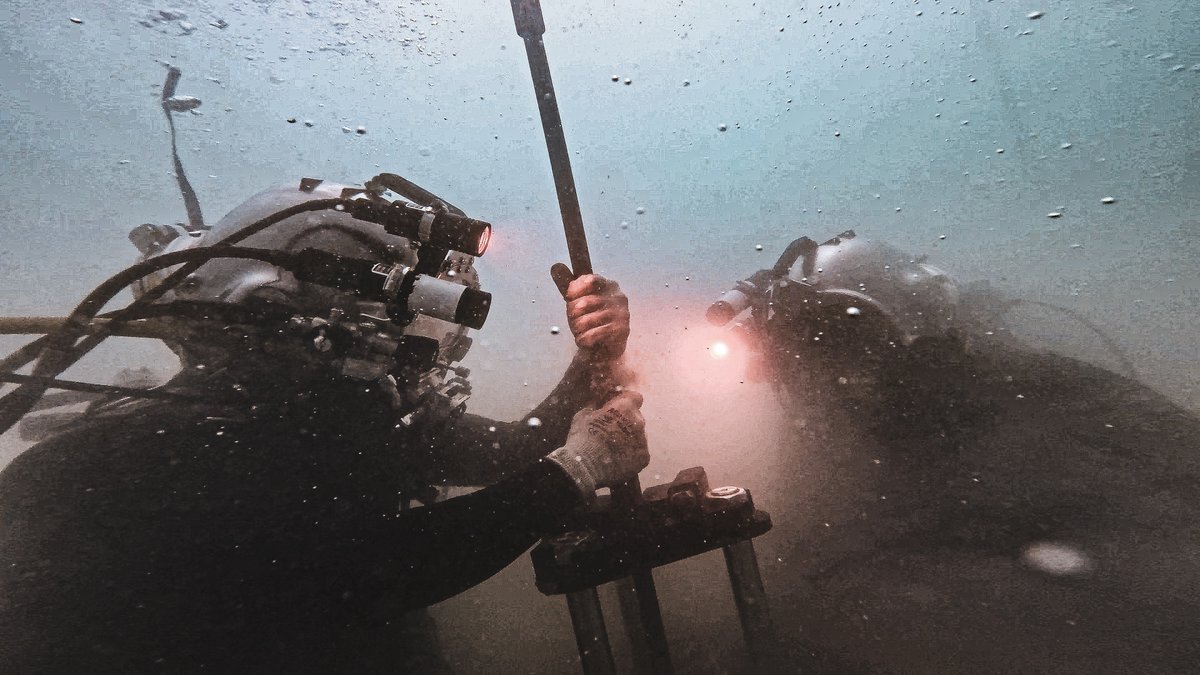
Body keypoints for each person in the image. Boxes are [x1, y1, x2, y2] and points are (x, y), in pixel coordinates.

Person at [0, 178, 646, 673]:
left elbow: (515, 447)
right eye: (397, 326)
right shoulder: (127, 462)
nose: (416, 359)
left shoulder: (355, 415)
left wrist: (592, 355)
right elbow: (351, 574)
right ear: (305, 318)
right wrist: (575, 471)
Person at [709, 230, 1200, 674]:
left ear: (919, 329)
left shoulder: (1036, 398)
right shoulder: (838, 442)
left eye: (856, 339)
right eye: (822, 351)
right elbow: (806, 553)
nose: (842, 378)